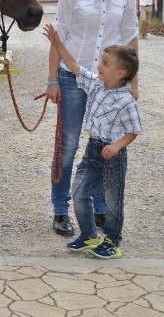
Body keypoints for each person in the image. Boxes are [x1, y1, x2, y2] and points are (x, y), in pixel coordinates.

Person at [46, 0, 138, 237]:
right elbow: (58, 36)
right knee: (69, 146)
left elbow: (130, 39)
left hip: (111, 83)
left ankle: (100, 207)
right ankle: (61, 209)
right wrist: (51, 81)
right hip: (73, 77)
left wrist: (132, 83)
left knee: (104, 146)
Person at [43, 23, 141, 259]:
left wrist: (117, 145)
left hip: (113, 154)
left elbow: (134, 131)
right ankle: (89, 235)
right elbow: (75, 67)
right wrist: (57, 44)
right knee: (78, 191)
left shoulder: (126, 102)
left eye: (105, 64)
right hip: (92, 150)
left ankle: (113, 242)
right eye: (100, 61)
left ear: (121, 73)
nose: (98, 66)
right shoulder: (95, 85)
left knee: (112, 199)